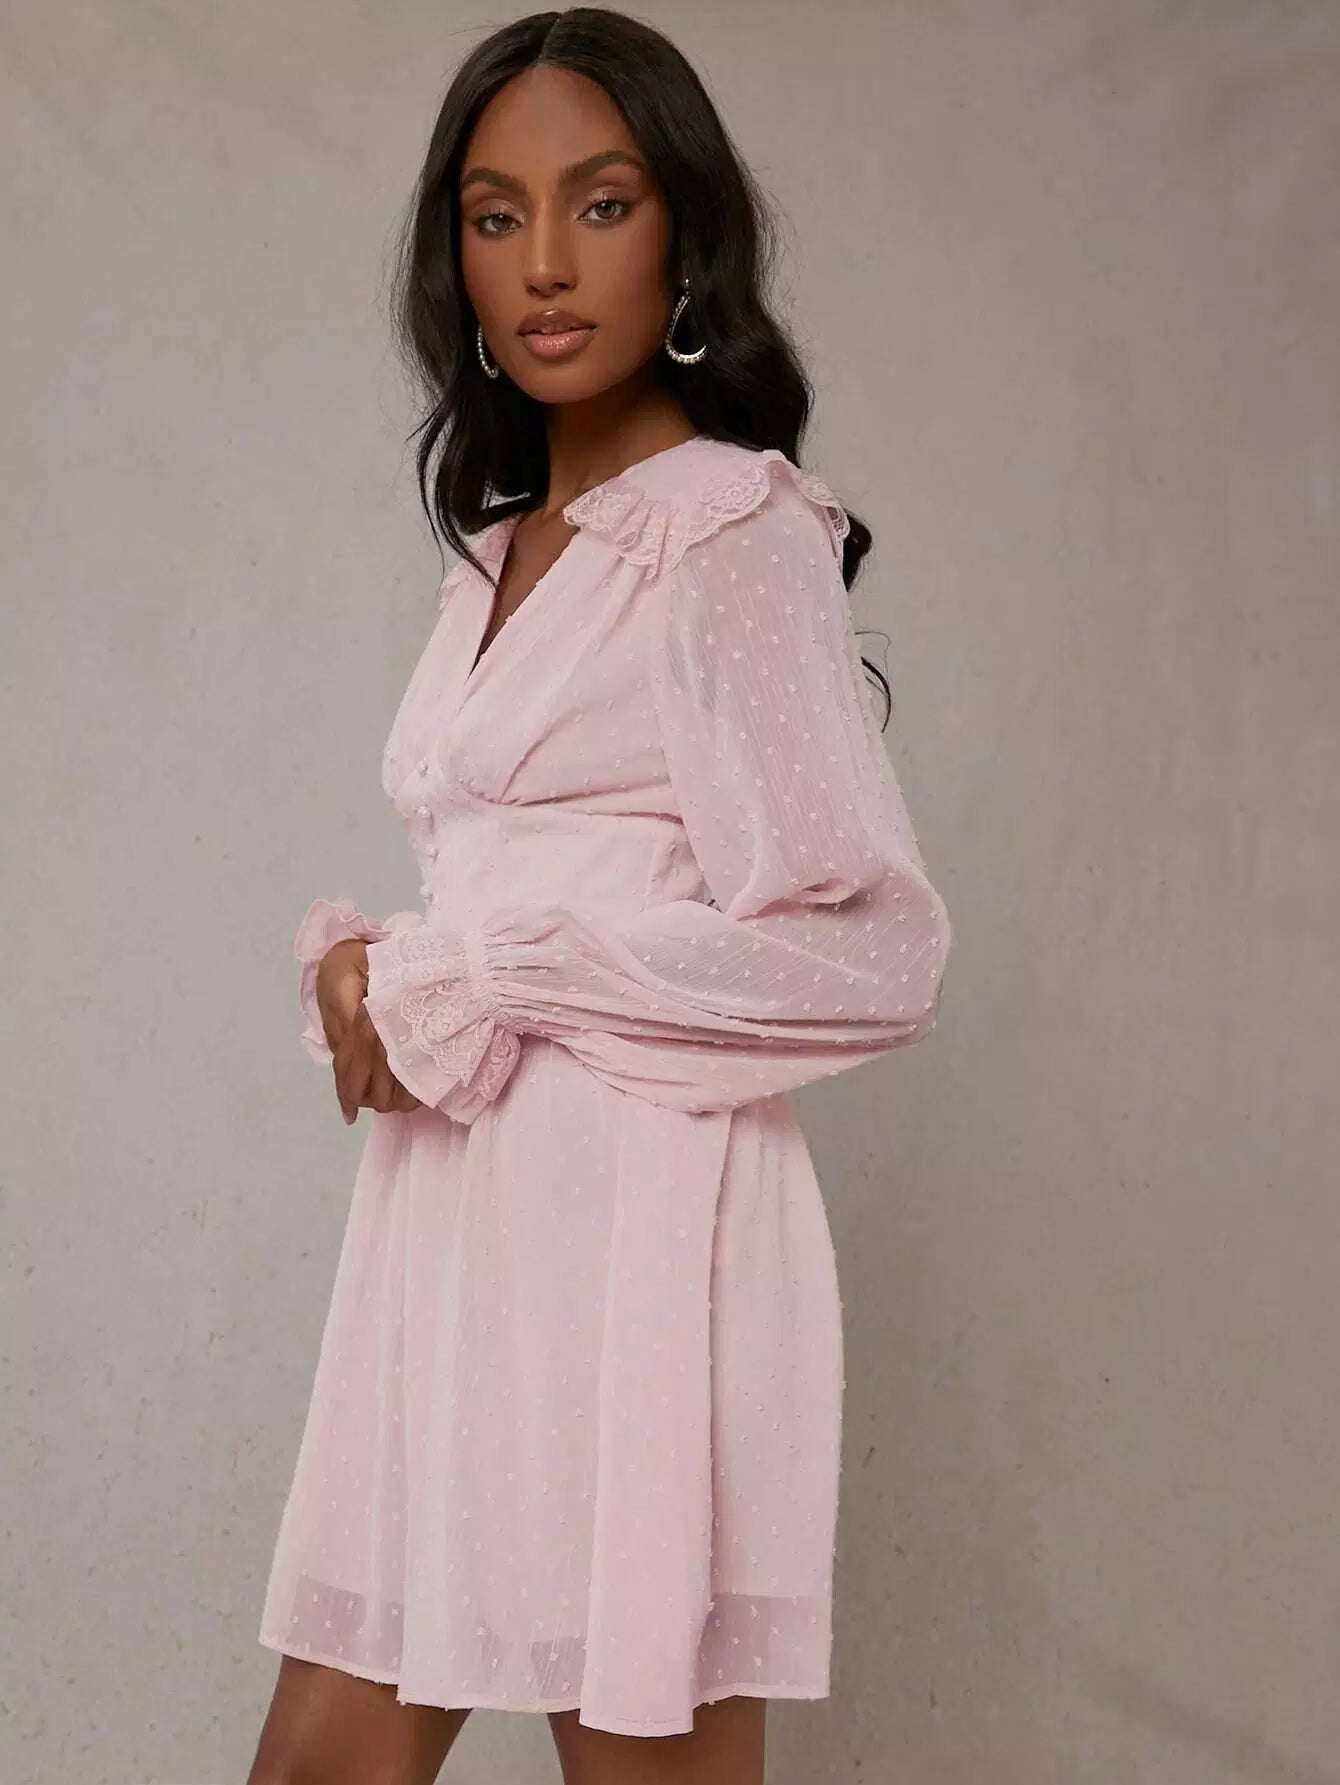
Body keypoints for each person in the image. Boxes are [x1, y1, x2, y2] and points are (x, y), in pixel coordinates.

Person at [247, 9, 952, 1784]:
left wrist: (506, 970)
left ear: (684, 233)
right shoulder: (498, 554)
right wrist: (383, 971)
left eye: (601, 203)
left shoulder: (730, 531)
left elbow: (877, 954)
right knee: (326, 1753)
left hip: (640, 1239)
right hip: (448, 1235)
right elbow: (511, 882)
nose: (547, 264)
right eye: (497, 216)